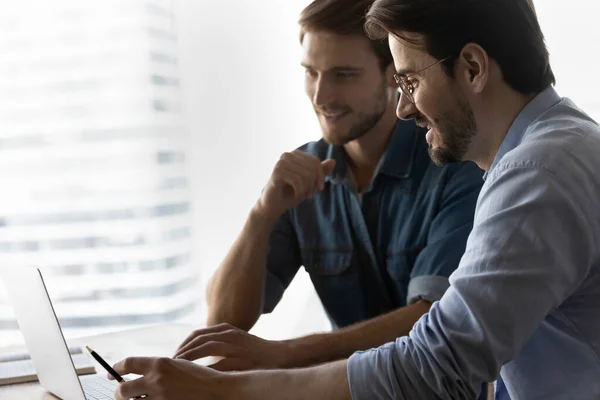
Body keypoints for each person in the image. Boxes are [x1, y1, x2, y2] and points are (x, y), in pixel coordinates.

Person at [110, 0, 600, 398]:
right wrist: (262, 212)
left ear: (471, 68)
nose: (404, 105)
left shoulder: (536, 172)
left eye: (409, 81)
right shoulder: (547, 151)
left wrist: (228, 390)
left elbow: (437, 363)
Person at [171, 0, 482, 374]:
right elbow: (224, 321)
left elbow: (433, 318)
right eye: (310, 73)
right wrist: (262, 214)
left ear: (393, 74)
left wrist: (284, 354)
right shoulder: (300, 176)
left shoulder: (455, 166)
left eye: (344, 75)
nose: (320, 97)